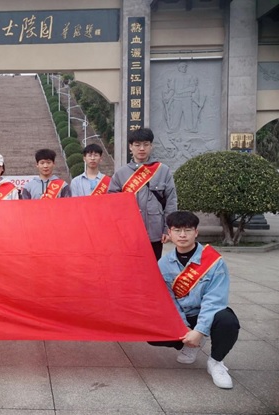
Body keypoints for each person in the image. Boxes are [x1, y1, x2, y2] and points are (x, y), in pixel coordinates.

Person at [149, 211, 240, 389]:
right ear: (170, 233)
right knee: (152, 332)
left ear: (196, 232)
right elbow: (169, 300)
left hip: (208, 313)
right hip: (183, 315)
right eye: (177, 230)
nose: (182, 235)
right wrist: (183, 328)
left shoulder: (214, 261)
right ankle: (190, 345)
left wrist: (199, 330)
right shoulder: (163, 264)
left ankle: (216, 362)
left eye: (188, 230)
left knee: (228, 321)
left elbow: (215, 300)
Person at [108, 128, 177, 259]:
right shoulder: (121, 174)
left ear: (151, 146)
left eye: (146, 144)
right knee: (130, 267)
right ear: (130, 147)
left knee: (154, 266)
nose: (141, 148)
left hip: (155, 231)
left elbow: (171, 202)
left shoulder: (163, 171)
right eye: (137, 145)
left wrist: (168, 229)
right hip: (129, 233)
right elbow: (112, 204)